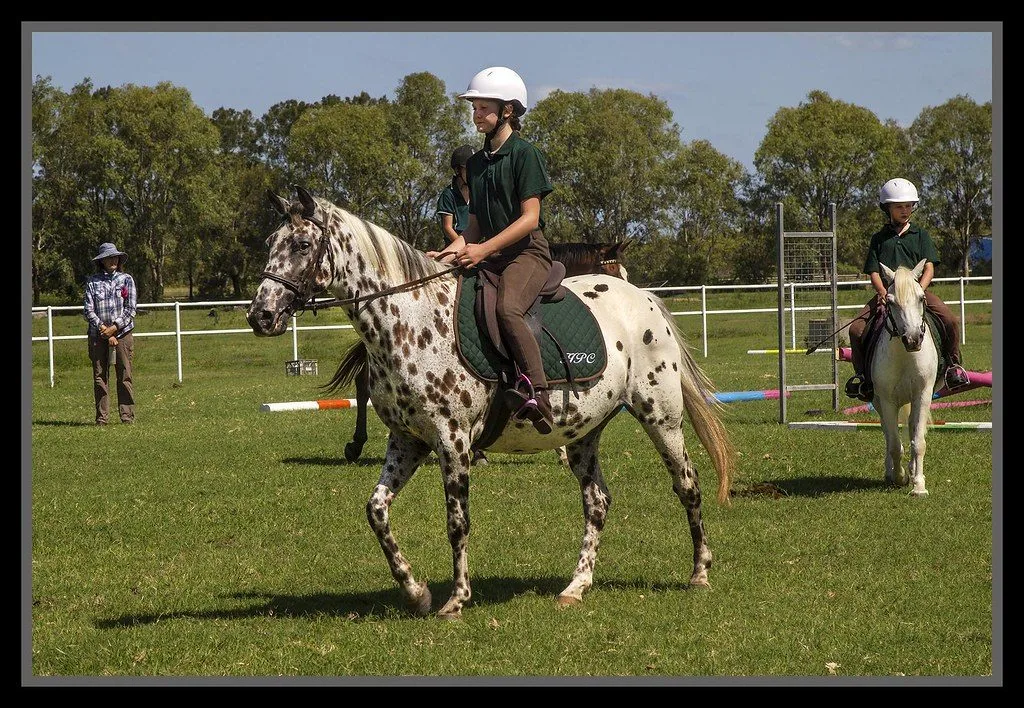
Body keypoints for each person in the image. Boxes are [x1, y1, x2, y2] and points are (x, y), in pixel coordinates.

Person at [426, 66, 555, 434]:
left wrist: (483, 251)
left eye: (483, 108)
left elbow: (531, 219)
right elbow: (475, 226)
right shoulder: (478, 163)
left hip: (527, 253)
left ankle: (540, 396)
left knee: (507, 308)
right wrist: (449, 252)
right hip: (491, 252)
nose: (476, 115)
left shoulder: (525, 154)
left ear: (508, 111)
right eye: (474, 108)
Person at [845, 178, 970, 401]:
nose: (905, 210)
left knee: (950, 320)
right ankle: (863, 378)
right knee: (855, 329)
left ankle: (953, 366)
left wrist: (918, 291)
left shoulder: (921, 235)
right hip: (888, 294)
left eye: (909, 206)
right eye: (899, 207)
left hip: (917, 292)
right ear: (888, 209)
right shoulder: (879, 239)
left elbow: (929, 267)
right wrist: (883, 293)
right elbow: (873, 271)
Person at [83, 242, 137, 425]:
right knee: (100, 376)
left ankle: (127, 416)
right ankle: (102, 418)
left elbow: (131, 309)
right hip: (98, 335)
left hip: (123, 334)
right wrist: (104, 330)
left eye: (115, 257)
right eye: (108, 257)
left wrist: (115, 327)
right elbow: (88, 310)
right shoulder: (92, 282)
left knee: (125, 374)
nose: (112, 260)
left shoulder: (126, 279)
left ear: (119, 259)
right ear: (102, 261)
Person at [435, 144, 475, 247]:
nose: (473, 174)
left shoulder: (478, 192)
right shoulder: (448, 194)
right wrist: (463, 246)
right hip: (455, 245)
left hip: (477, 245)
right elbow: (447, 228)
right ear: (458, 170)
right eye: (469, 170)